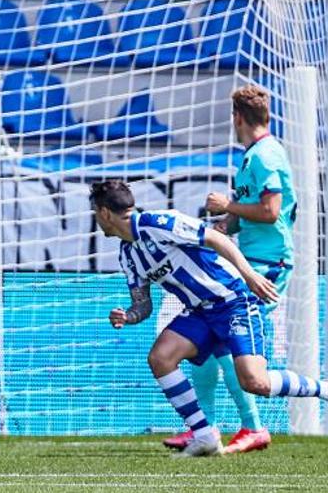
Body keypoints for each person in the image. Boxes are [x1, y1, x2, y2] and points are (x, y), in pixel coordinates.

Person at [91, 179, 325, 457]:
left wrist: (249, 276)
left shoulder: (157, 222)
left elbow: (216, 238)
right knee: (160, 358)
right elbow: (143, 305)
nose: (97, 221)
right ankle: (204, 435)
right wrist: (128, 316)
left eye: (95, 213)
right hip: (200, 312)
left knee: (255, 382)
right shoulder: (128, 255)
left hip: (234, 301)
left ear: (105, 213)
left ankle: (322, 388)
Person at [162, 85, 296, 454]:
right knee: (204, 344)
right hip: (251, 257)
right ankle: (202, 426)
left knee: (226, 340)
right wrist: (219, 228)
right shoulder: (255, 155)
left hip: (268, 263)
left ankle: (253, 427)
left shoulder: (266, 157)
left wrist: (229, 205)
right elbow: (255, 215)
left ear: (237, 117)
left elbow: (270, 212)